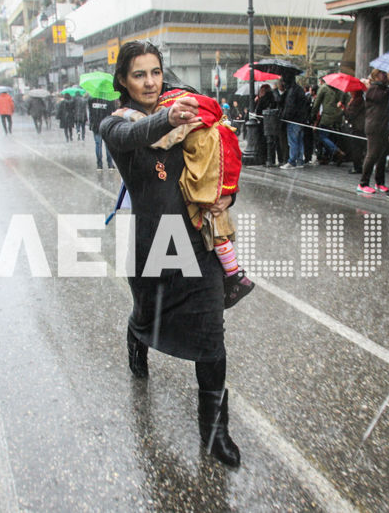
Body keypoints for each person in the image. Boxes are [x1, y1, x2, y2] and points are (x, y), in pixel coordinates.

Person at [100, 40, 241, 467]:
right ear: (123, 80)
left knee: (210, 337)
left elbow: (218, 158)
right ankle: (136, 335)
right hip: (153, 245)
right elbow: (135, 134)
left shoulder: (185, 111)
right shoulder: (115, 124)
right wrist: (167, 117)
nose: (149, 81)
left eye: (156, 72)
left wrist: (226, 198)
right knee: (147, 315)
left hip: (198, 240)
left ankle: (215, 431)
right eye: (139, 74)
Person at [113, 88, 255, 308]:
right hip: (201, 197)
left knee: (210, 221)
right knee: (216, 223)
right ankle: (234, 273)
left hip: (190, 206)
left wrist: (128, 116)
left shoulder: (189, 123)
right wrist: (228, 193)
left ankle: (234, 275)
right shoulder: (214, 125)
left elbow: (160, 139)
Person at [357, 69, 389, 194]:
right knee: (372, 154)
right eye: (382, 73)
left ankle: (380, 182)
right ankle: (363, 183)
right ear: (376, 76)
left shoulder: (383, 88)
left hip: (383, 126)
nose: (385, 75)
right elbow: (383, 97)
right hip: (374, 126)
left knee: (382, 155)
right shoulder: (373, 89)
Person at [311, 79, 348, 165]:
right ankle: (330, 156)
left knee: (322, 136)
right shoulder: (341, 89)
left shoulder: (323, 88)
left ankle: (336, 151)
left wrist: (313, 114)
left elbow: (317, 103)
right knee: (333, 137)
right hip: (338, 117)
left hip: (327, 117)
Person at [279, 74, 309, 169]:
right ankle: (300, 160)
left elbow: (289, 107)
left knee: (293, 141)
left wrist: (284, 117)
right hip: (300, 119)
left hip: (293, 119)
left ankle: (292, 161)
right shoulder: (299, 89)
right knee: (299, 141)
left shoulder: (291, 91)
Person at [87, 95, 116, 168]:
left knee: (98, 145)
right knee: (108, 146)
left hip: (96, 125)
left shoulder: (91, 100)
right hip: (106, 125)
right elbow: (113, 112)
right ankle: (110, 164)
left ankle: (99, 165)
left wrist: (91, 123)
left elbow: (90, 113)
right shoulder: (109, 100)